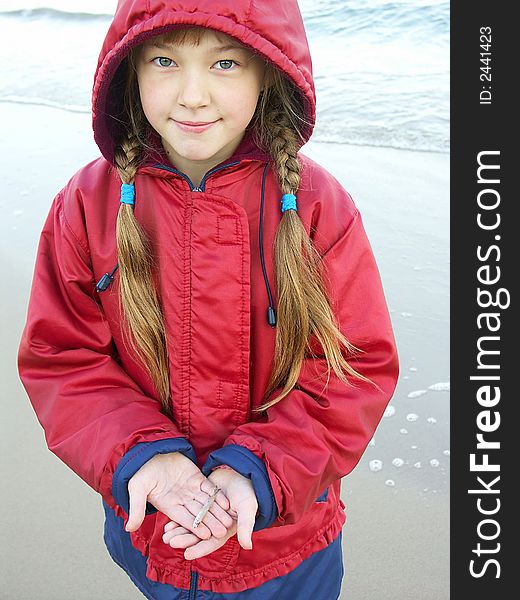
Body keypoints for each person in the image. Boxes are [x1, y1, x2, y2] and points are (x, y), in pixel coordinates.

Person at [17, 0, 399, 598]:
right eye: (165, 61)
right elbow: (63, 356)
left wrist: (258, 474)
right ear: (130, 73)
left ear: (269, 72)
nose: (192, 95)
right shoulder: (87, 204)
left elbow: (355, 369)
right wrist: (144, 458)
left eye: (225, 64)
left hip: (284, 544)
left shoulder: (320, 207)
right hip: (153, 530)